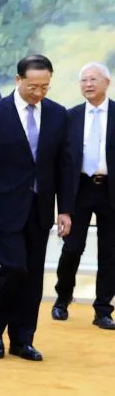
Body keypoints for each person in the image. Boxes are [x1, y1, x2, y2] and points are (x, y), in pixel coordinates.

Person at [0, 54, 74, 362]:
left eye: (45, 86)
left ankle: (22, 338)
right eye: (33, 86)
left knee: (32, 276)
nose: (39, 93)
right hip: (4, 206)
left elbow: (65, 165)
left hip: (40, 207)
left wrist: (65, 209)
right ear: (18, 80)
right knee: (13, 267)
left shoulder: (58, 114)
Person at [52, 63, 115, 330]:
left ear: (107, 82)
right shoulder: (71, 116)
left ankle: (102, 309)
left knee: (110, 252)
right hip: (79, 188)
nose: (88, 85)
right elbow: (62, 162)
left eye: (93, 79)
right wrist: (62, 205)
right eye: (84, 80)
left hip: (110, 190)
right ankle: (62, 298)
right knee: (72, 248)